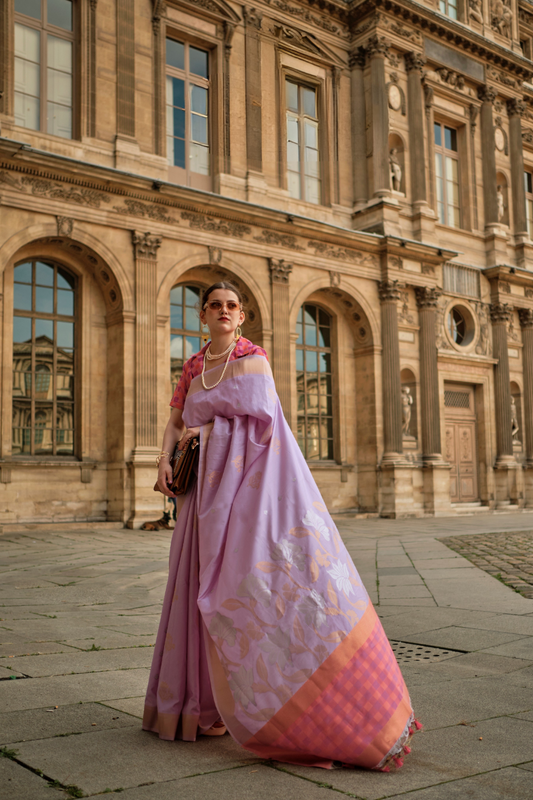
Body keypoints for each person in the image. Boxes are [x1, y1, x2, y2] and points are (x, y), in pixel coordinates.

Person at [143, 281, 419, 770]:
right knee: (190, 590)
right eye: (214, 306)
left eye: (231, 306)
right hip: (199, 494)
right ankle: (195, 707)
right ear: (203, 314)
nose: (223, 311)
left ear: (242, 316)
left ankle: (327, 712)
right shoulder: (191, 366)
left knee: (249, 591)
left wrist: (210, 437)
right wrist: (164, 460)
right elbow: (176, 421)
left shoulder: (255, 359)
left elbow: (268, 429)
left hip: (245, 494)